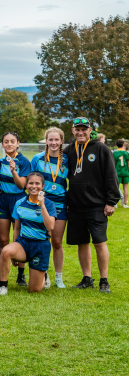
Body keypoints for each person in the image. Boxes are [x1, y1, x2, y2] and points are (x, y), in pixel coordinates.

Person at [64, 117, 119, 293]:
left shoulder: (101, 149)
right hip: (75, 206)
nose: (80, 132)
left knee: (99, 242)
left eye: (84, 129)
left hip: (96, 205)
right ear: (72, 131)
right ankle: (87, 278)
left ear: (90, 130)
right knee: (82, 243)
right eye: (77, 129)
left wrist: (111, 202)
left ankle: (104, 280)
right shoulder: (69, 150)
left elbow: (111, 175)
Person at [0, 172, 57, 295]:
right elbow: (17, 228)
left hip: (40, 245)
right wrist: (14, 246)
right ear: (26, 185)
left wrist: (42, 205)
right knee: (6, 251)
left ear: (43, 186)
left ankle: (43, 274)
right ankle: (3, 287)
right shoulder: (19, 203)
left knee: (34, 290)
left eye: (37, 183)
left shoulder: (49, 204)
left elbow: (50, 226)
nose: (34, 186)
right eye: (31, 183)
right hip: (23, 243)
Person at [30, 127, 69, 288]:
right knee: (43, 239)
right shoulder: (37, 158)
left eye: (56, 139)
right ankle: (44, 275)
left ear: (61, 141)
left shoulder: (67, 160)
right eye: (50, 140)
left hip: (60, 204)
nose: (53, 142)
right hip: (42, 204)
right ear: (46, 141)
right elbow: (31, 182)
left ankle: (59, 277)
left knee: (57, 242)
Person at [0, 132, 31, 286]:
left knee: (20, 238)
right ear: (2, 144)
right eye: (6, 142)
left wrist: (13, 171)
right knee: (3, 239)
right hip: (3, 200)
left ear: (18, 143)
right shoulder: (0, 161)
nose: (9, 144)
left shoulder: (23, 161)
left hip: (18, 200)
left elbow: (22, 185)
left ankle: (21, 275)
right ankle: (3, 275)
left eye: (12, 141)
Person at [113, 139, 129, 208]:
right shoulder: (126, 153)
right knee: (125, 188)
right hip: (125, 172)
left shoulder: (114, 153)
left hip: (117, 172)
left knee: (115, 188)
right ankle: (124, 204)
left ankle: (114, 203)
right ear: (123, 145)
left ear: (116, 145)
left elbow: (113, 163)